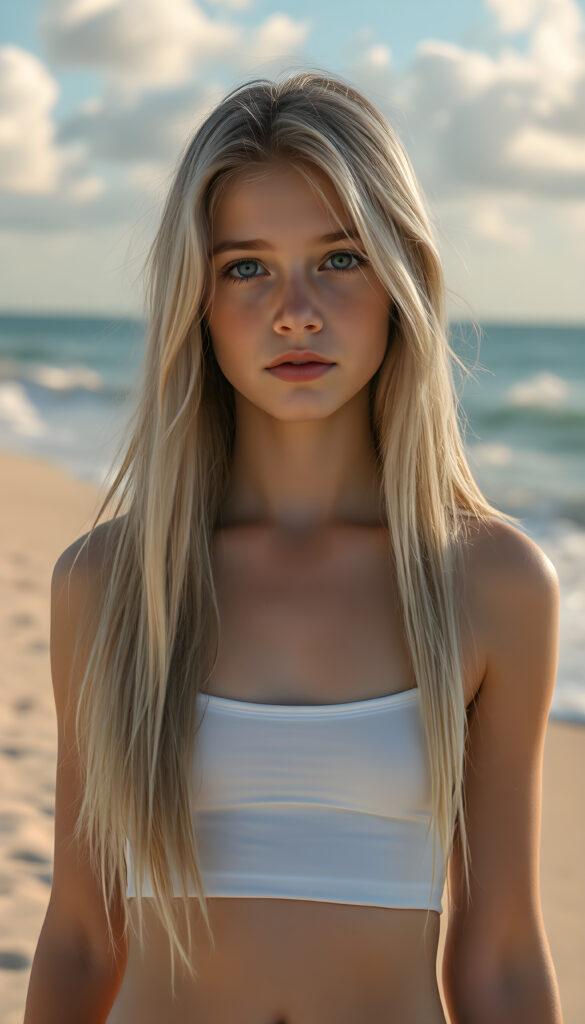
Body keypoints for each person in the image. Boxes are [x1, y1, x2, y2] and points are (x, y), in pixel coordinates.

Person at [24, 70, 564, 1024]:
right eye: (246, 267)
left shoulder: (488, 583)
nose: (296, 310)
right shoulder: (112, 584)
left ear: (402, 279)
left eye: (340, 259)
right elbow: (78, 938)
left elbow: (501, 962)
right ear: (196, 302)